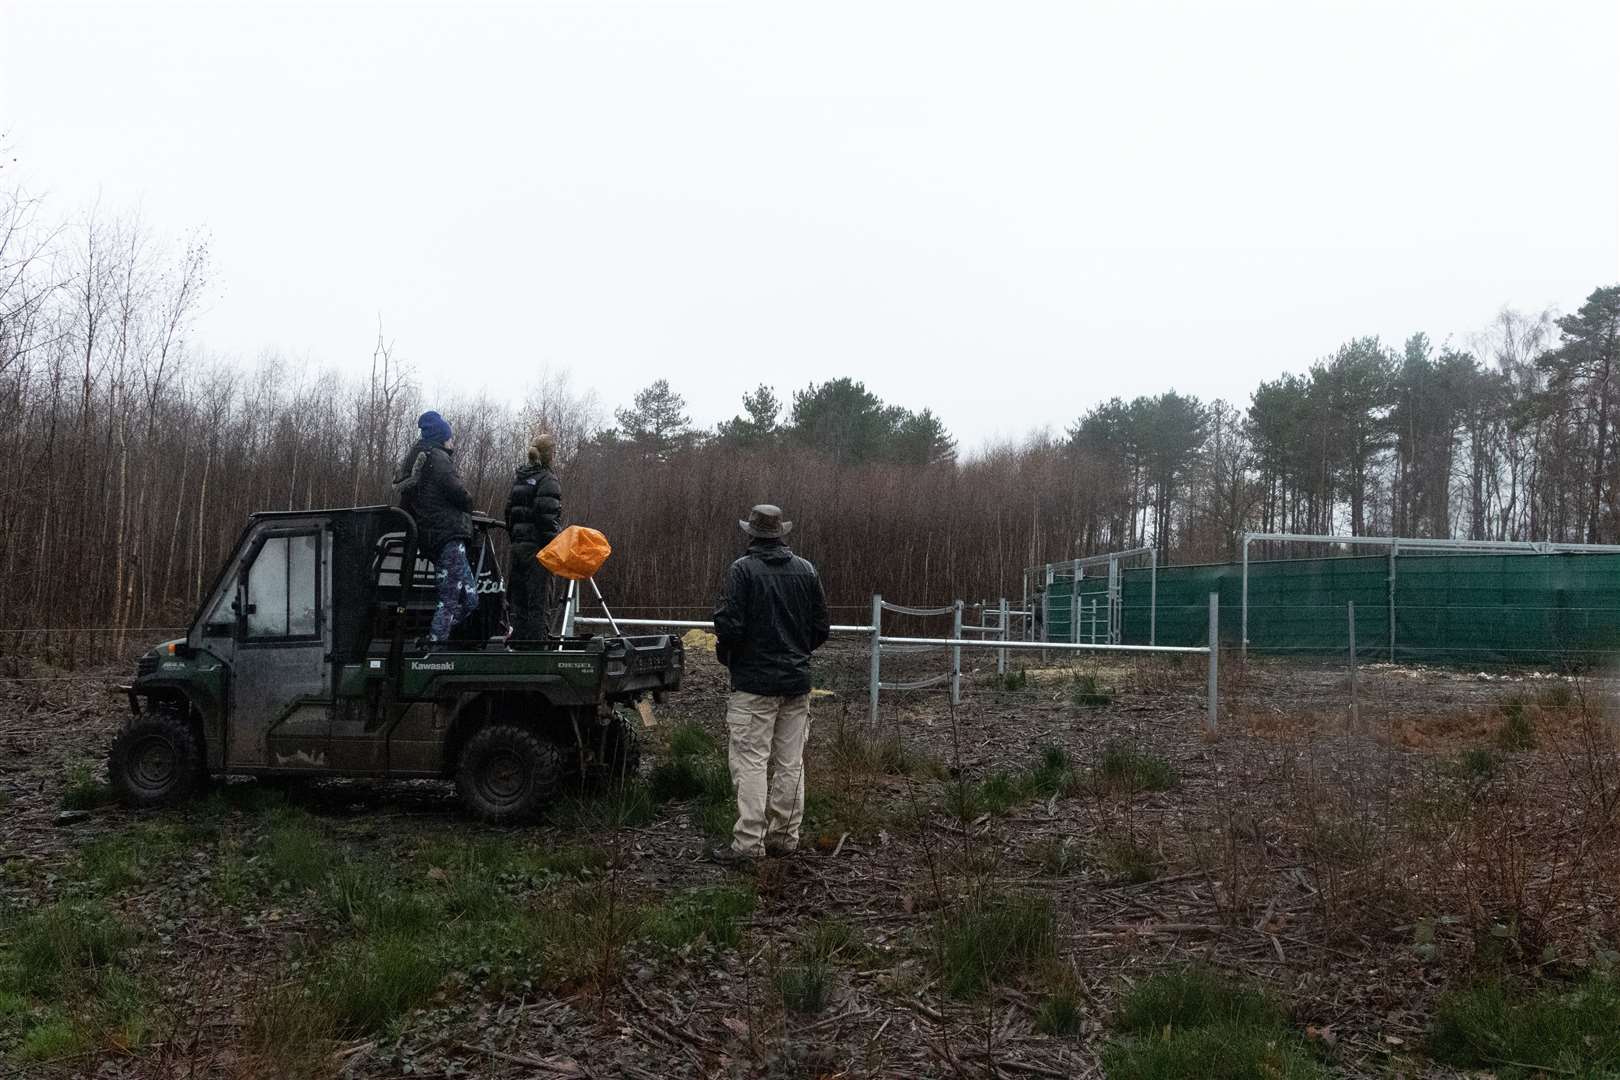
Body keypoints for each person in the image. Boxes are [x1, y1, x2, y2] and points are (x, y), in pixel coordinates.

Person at [709, 504, 831, 864]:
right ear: (781, 533)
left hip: (753, 684)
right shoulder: (806, 571)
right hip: (795, 682)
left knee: (750, 762)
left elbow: (729, 625)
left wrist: (730, 654)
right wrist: (796, 650)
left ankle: (749, 845)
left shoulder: (742, 571)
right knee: (790, 763)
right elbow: (820, 627)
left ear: (752, 533)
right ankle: (784, 837)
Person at [394, 410, 478, 645]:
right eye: (450, 437)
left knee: (466, 598)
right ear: (442, 437)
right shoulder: (438, 458)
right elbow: (459, 493)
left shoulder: (417, 460)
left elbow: (406, 502)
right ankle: (434, 645)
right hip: (447, 534)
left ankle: (437, 639)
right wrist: (469, 506)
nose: (453, 442)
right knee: (455, 599)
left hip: (433, 537)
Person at [504, 433, 562, 644]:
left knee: (518, 602)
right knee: (538, 603)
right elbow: (547, 518)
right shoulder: (548, 479)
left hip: (518, 547)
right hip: (538, 551)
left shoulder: (520, 477)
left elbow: (508, 512)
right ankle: (537, 651)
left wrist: (516, 538)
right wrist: (554, 547)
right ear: (549, 455)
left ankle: (517, 647)